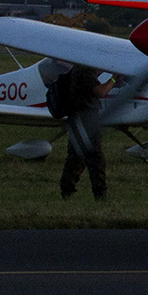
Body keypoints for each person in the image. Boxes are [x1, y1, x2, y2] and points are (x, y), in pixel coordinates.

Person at [56, 63, 115, 201]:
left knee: (76, 157)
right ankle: (100, 195)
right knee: (95, 158)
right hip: (85, 117)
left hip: (79, 116)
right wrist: (113, 80)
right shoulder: (85, 69)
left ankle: (66, 192)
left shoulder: (80, 68)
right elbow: (100, 92)